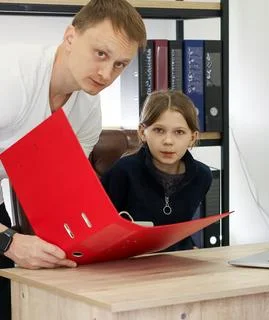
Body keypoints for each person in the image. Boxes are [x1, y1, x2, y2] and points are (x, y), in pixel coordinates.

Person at [0, 0, 146, 318]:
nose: (107, 74)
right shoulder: (10, 79)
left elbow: (59, 193)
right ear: (70, 37)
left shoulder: (86, 112)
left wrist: (111, 239)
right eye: (101, 54)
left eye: (120, 64)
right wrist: (8, 241)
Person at [101, 90, 212, 251]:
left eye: (179, 132)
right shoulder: (123, 171)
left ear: (192, 137)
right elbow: (100, 230)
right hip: (129, 261)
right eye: (159, 130)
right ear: (142, 132)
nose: (168, 141)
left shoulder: (202, 176)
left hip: (178, 260)